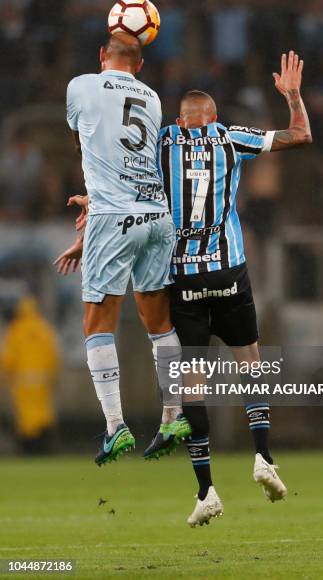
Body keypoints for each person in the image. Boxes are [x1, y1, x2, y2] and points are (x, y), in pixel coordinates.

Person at [56, 51, 312, 527]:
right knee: (249, 362)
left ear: (178, 119)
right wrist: (293, 96)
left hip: (184, 275)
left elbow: (124, 174)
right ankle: (263, 457)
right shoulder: (231, 137)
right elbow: (301, 135)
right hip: (229, 270)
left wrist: (92, 210)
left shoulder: (162, 140)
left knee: (190, 377)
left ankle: (205, 489)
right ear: (214, 120)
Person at [59, 32, 191, 467]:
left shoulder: (81, 85)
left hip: (113, 217)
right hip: (157, 216)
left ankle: (115, 426)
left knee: (98, 322)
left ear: (102, 56)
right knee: (160, 325)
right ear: (139, 66)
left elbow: (89, 146)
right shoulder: (153, 99)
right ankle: (173, 415)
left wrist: (92, 204)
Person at [1, 296, 60, 454]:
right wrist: (53, 378)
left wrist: (6, 379)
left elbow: (9, 359)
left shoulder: (16, 330)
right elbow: (53, 356)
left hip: (22, 382)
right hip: (42, 381)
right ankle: (43, 448)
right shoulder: (45, 329)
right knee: (42, 413)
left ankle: (28, 449)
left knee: (25, 416)